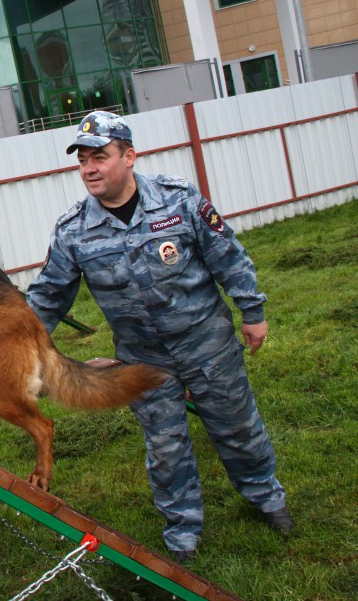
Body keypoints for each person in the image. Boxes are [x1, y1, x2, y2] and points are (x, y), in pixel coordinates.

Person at [25, 110, 292, 564]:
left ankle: (267, 498)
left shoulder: (178, 199)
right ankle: (183, 533)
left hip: (206, 343)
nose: (89, 167)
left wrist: (252, 310)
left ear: (129, 157)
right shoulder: (74, 230)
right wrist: (18, 348)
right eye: (83, 159)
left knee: (237, 427)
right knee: (166, 450)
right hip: (143, 360)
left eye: (100, 157)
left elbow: (226, 255)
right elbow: (49, 296)